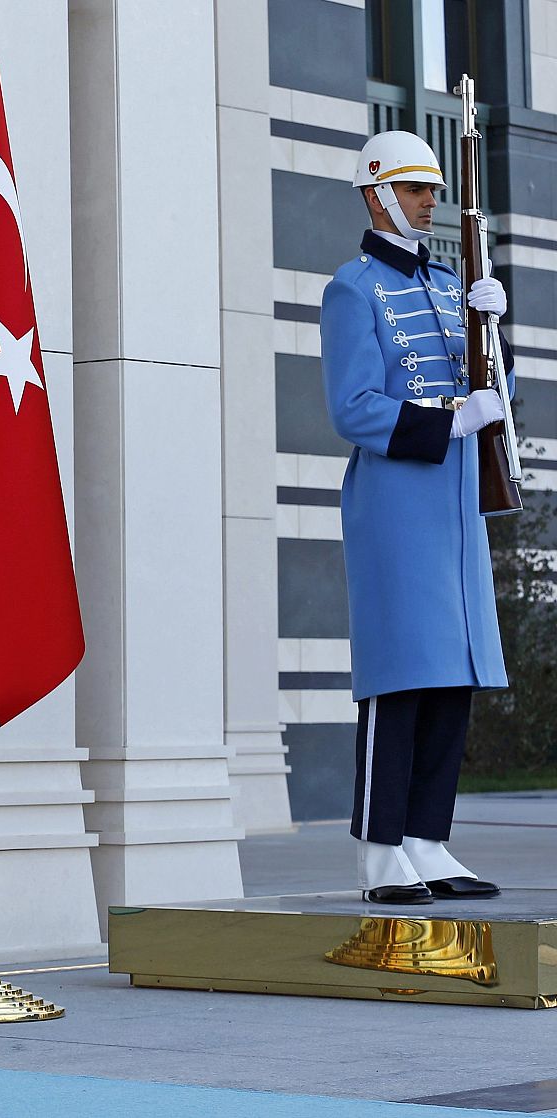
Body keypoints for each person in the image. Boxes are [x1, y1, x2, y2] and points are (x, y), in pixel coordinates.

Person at [320, 130, 509, 906]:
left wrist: (495, 331)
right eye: (414, 188)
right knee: (400, 676)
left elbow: (484, 387)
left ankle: (428, 840)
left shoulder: (449, 285)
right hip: (397, 504)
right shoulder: (352, 288)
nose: (431, 201)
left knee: (451, 676)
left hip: (456, 506)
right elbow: (354, 408)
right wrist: (449, 422)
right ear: (376, 195)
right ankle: (379, 851)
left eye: (433, 189)